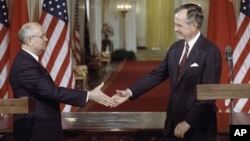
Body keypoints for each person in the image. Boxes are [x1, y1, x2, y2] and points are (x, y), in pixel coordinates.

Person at [111, 3, 222, 141]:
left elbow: (209, 96)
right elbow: (157, 74)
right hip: (173, 124)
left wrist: (188, 122)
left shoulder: (210, 51)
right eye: (175, 24)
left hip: (198, 128)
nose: (175, 29)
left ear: (194, 25)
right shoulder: (175, 48)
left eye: (179, 26)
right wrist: (129, 92)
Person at [9, 22, 115, 141]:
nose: (47, 39)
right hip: (36, 128)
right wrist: (89, 95)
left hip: (42, 124)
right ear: (30, 40)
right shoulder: (25, 65)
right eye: (42, 36)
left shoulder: (27, 60)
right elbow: (52, 92)